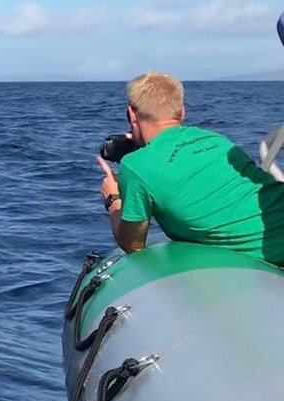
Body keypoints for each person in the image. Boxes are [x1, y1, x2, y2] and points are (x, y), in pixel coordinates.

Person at [97, 71, 284, 266]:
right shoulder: (217, 140)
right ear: (182, 112)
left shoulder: (136, 166)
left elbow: (132, 245)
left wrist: (113, 198)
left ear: (132, 114)